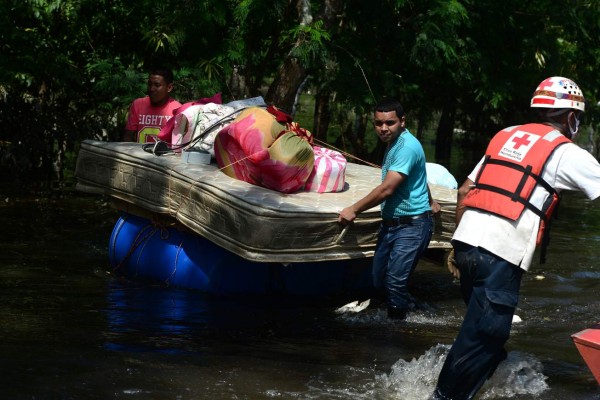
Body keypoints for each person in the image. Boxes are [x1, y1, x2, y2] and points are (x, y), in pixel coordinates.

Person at [432, 76, 600, 400]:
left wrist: (455, 244)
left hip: (466, 245)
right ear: (570, 118)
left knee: (483, 335)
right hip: (500, 252)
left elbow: (465, 189)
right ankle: (444, 396)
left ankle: (487, 384)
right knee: (485, 336)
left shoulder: (506, 136)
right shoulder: (565, 152)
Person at [338, 97, 439, 320]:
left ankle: (396, 332)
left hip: (412, 225)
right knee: (378, 280)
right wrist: (430, 199)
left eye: (390, 123)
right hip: (391, 224)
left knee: (394, 282)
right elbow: (416, 176)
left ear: (403, 121)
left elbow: (387, 190)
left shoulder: (406, 147)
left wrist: (354, 209)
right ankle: (416, 311)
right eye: (378, 123)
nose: (383, 128)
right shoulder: (394, 142)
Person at [123, 67, 182, 143]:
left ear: (169, 87)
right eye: (150, 84)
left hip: (165, 154)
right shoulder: (138, 104)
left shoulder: (177, 109)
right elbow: (128, 137)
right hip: (139, 154)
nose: (151, 89)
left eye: (157, 85)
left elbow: (179, 143)